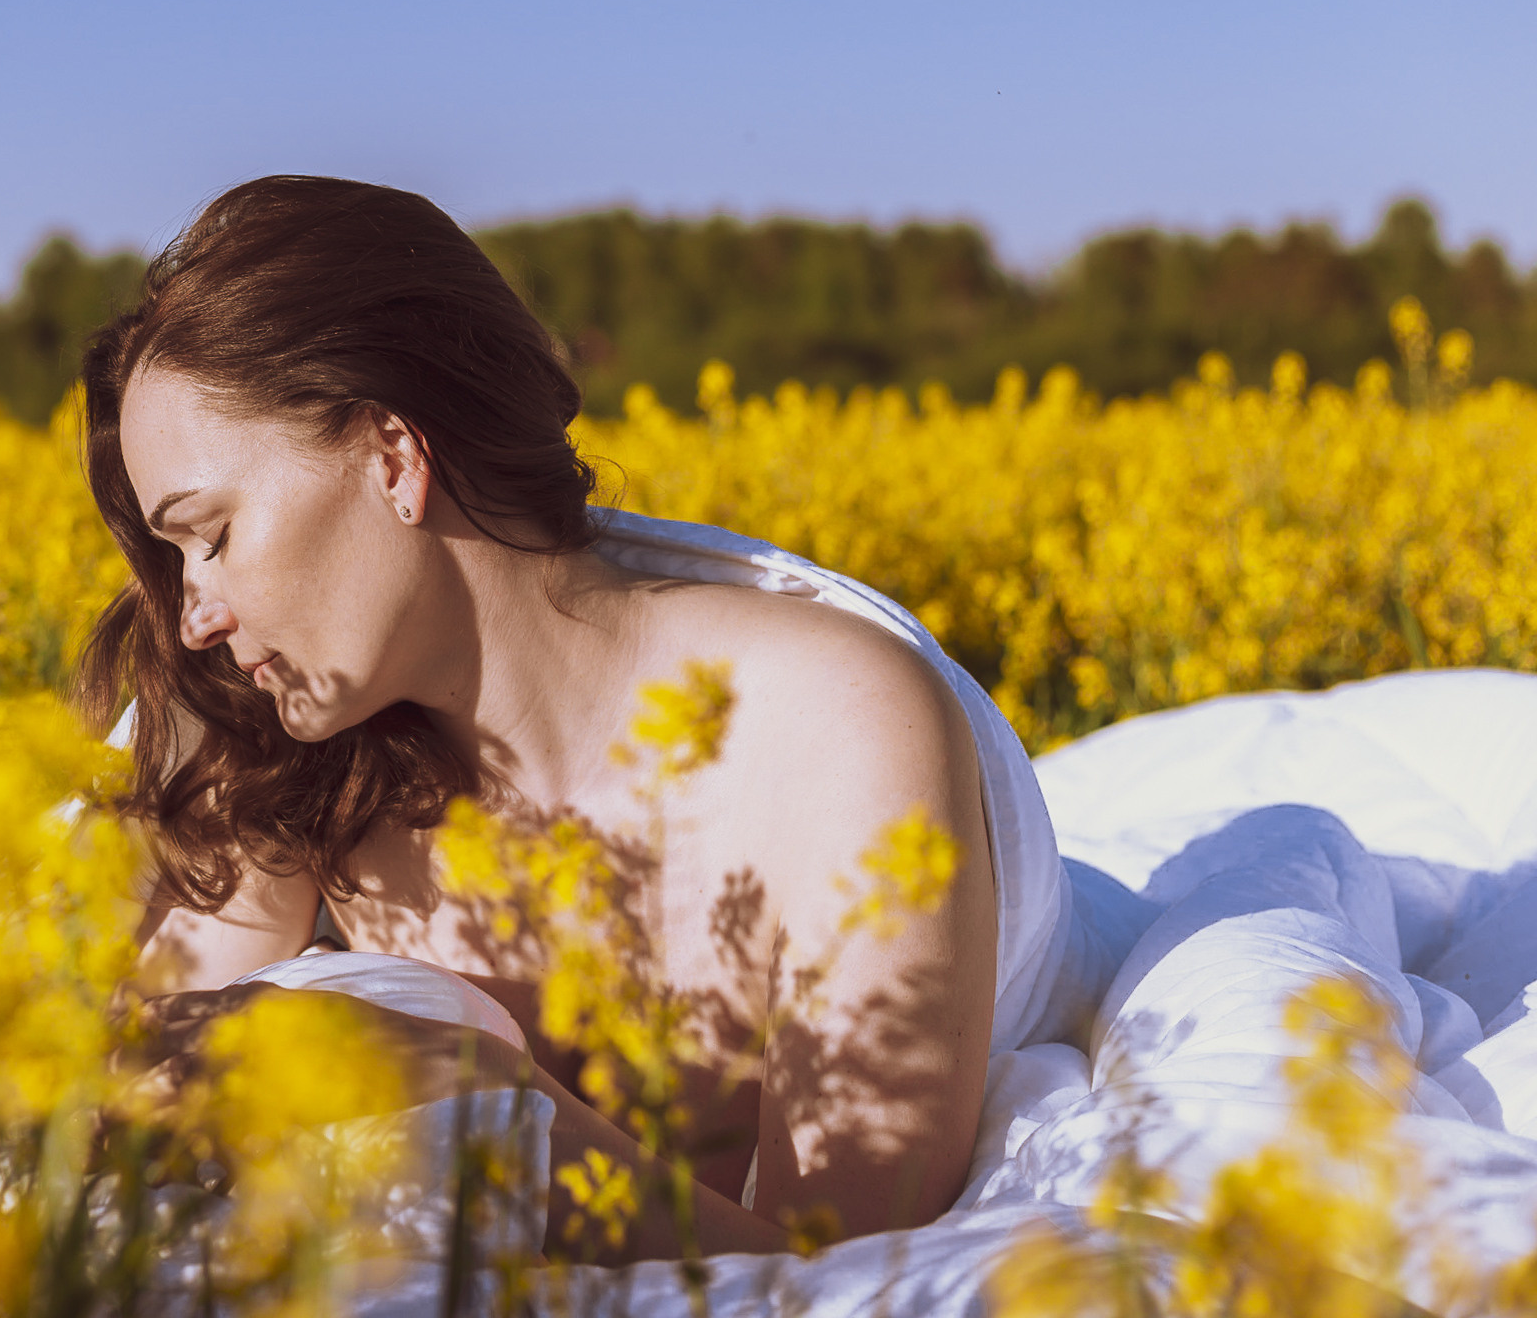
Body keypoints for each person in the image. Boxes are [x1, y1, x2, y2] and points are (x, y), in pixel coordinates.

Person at [72, 175, 1048, 1261]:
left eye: (207, 534)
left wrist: (479, 1097)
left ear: (393, 456)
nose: (194, 616)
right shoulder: (298, 752)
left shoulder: (838, 725)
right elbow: (115, 1077)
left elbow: (853, 1280)